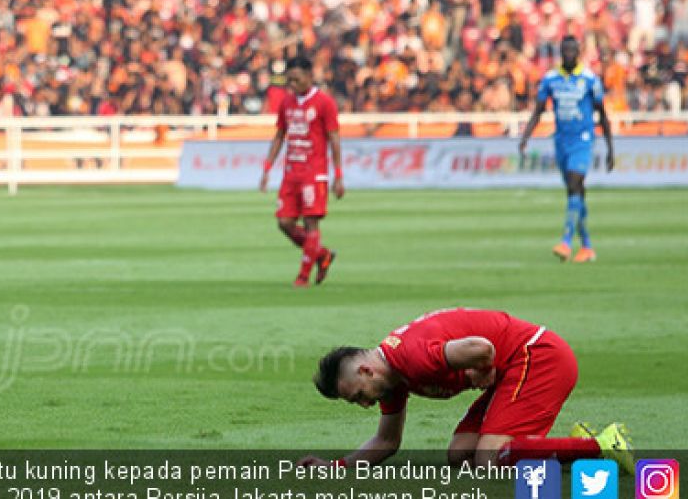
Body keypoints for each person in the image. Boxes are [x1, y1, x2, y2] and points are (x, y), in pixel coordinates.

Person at [303, 308, 633, 471]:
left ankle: (601, 444)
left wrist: (482, 370)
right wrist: (337, 467)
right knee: (460, 455)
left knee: (487, 457)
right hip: (516, 368)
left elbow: (482, 347)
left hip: (540, 357)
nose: (364, 404)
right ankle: (573, 443)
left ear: (365, 370)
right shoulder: (390, 378)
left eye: (359, 395)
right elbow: (387, 441)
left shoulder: (413, 358)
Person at [519, 36, 614, 262]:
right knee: (575, 192)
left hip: (582, 140)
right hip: (561, 141)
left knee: (574, 183)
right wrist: (525, 137)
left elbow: (603, 114)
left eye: (573, 50)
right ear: (561, 52)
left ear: (578, 51)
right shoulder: (551, 79)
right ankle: (588, 246)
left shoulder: (589, 79)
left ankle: (566, 241)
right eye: (565, 50)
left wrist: (611, 147)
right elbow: (539, 110)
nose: (569, 54)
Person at [259, 56, 344, 287]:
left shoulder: (324, 103)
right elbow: (280, 135)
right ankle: (322, 254)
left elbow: (334, 138)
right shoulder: (287, 103)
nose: (292, 85)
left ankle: (303, 276)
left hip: (314, 173)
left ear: (309, 76)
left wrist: (338, 174)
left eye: (296, 79)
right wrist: (267, 167)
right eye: (290, 80)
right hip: (291, 173)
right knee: (284, 223)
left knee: (311, 223)